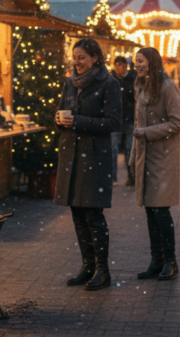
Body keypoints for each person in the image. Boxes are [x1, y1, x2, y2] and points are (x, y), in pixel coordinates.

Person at [54, 39, 122, 291]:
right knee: (77, 212)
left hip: (93, 157)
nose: (76, 62)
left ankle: (103, 271)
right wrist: (59, 120)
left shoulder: (109, 84)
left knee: (93, 214)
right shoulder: (69, 83)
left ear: (95, 57)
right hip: (71, 155)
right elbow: (62, 113)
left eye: (81, 57)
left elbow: (114, 122)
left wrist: (78, 121)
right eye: (74, 57)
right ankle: (87, 265)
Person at [130, 47, 180, 281]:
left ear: (151, 62)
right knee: (150, 210)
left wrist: (148, 132)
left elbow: (177, 122)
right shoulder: (141, 86)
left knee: (161, 210)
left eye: (140, 61)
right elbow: (136, 125)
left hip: (163, 158)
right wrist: (133, 158)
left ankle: (170, 261)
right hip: (146, 157)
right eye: (135, 62)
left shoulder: (167, 87)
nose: (137, 65)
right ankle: (156, 260)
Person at [111, 56, 137, 187]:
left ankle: (131, 176)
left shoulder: (132, 79)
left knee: (129, 149)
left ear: (125, 66)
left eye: (119, 65)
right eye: (116, 65)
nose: (117, 68)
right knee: (112, 148)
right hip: (116, 120)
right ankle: (112, 177)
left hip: (130, 119)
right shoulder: (113, 80)